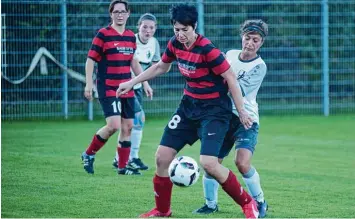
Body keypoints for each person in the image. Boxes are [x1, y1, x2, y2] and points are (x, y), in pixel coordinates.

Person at [116, 4, 259, 218]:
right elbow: (160, 67)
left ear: (194, 27)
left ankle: (249, 203)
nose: (180, 34)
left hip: (214, 111)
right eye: (176, 29)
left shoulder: (207, 49)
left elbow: (230, 78)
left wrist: (242, 111)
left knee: (209, 163)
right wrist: (131, 81)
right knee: (162, 158)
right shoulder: (175, 44)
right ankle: (163, 210)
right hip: (188, 108)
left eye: (185, 30)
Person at [193, 19, 269, 218]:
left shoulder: (260, 66)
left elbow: (237, 89)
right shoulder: (231, 54)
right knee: (211, 162)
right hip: (224, 117)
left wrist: (211, 84)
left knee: (242, 163)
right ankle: (210, 204)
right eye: (247, 38)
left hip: (246, 120)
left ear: (261, 43)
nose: (250, 43)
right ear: (241, 37)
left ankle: (260, 202)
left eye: (255, 40)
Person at [81, 0, 153, 175]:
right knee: (114, 125)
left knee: (128, 126)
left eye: (123, 11)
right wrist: (89, 83)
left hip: (126, 87)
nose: (120, 14)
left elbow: (133, 62)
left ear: (128, 14)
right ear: (111, 14)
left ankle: (122, 167)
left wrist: (144, 82)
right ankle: (88, 154)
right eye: (116, 11)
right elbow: (91, 60)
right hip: (108, 87)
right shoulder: (103, 34)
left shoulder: (130, 36)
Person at [112, 13, 161, 171]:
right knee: (138, 120)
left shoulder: (154, 43)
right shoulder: (130, 40)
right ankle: (132, 158)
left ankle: (120, 158)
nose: (148, 30)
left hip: (138, 88)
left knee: (130, 124)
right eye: (145, 26)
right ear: (138, 26)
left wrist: (145, 82)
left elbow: (155, 66)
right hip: (125, 86)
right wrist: (145, 83)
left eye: (151, 27)